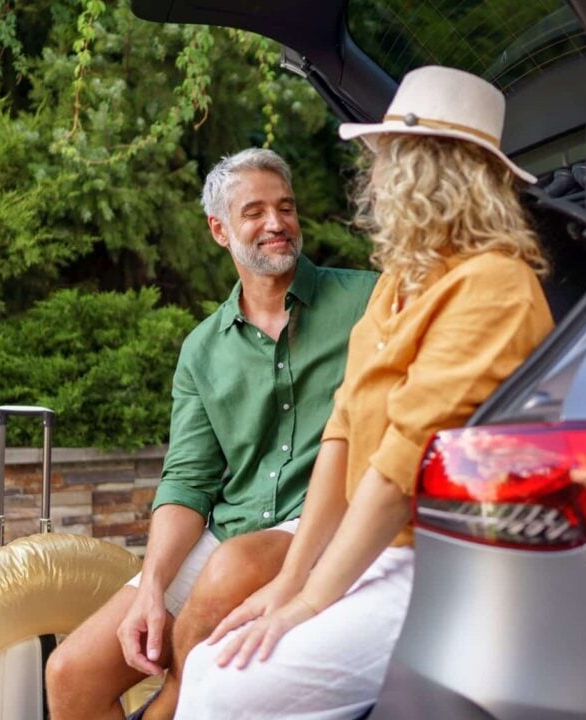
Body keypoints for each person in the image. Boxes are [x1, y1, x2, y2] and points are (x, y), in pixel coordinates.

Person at [172, 65, 555, 719]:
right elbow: (343, 433)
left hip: (445, 569)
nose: (370, 179)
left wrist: (310, 603)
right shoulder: (397, 284)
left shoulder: (494, 285)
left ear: (424, 172)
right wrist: (292, 581)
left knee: (228, 688)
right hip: (376, 549)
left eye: (382, 160)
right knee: (211, 658)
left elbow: (399, 467)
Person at [45, 148, 377, 720]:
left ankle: (172, 702)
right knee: (70, 674)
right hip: (232, 532)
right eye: (254, 212)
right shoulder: (203, 347)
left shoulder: (368, 300)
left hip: (320, 522)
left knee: (235, 567)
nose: (276, 223)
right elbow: (188, 482)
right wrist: (151, 586)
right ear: (219, 230)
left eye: (286, 208)